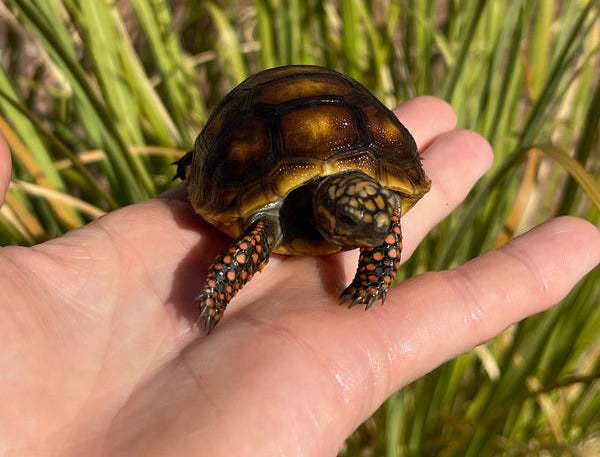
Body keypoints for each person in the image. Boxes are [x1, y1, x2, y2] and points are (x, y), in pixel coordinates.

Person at [1, 96, 598, 457]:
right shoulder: (274, 220)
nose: (374, 230)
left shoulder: (374, 212)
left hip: (352, 147)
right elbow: (257, 239)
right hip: (266, 163)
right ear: (323, 212)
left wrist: (372, 276)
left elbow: (379, 223)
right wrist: (215, 291)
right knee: (259, 235)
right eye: (347, 221)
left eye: (380, 217)